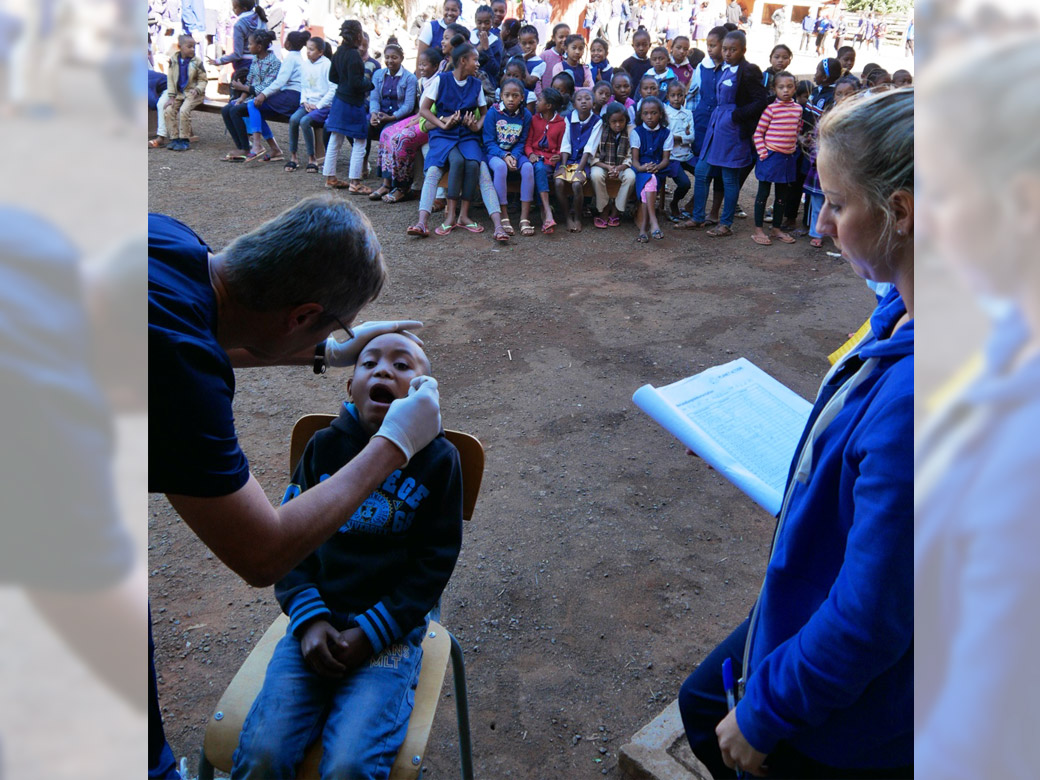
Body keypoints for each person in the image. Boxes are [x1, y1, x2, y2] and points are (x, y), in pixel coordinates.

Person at [148, 196, 442, 779]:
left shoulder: (169, 241)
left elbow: (197, 330)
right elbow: (264, 554)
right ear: (302, 314)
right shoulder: (178, 373)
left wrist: (327, 350)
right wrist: (392, 447)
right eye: (340, 329)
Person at [678, 86, 914, 780]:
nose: (825, 224)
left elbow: (872, 616)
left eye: (838, 205)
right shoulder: (903, 308)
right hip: (823, 591)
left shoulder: (922, 397)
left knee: (711, 716)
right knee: (700, 702)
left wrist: (766, 714)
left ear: (900, 212)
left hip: (861, 705)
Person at [229, 333, 463, 780]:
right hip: (312, 627)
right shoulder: (322, 447)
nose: (382, 370)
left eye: (402, 365)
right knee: (263, 754)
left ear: (423, 394)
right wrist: (311, 619)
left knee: (350, 766)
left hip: (387, 637)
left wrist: (371, 632)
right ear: (349, 386)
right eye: (368, 362)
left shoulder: (440, 460)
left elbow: (434, 565)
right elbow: (289, 546)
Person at [679, 30, 767, 237]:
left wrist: (737, 115)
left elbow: (761, 100)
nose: (727, 53)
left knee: (729, 178)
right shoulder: (724, 67)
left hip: (733, 131)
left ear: (743, 50)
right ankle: (698, 217)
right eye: (725, 49)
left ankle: (726, 223)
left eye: (733, 50)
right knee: (701, 171)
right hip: (715, 126)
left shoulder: (748, 70)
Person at [408, 43, 488, 237]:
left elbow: (485, 113)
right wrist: (442, 123)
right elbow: (424, 111)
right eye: (475, 60)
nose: (478, 64)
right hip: (443, 135)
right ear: (462, 61)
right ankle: (422, 222)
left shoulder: (476, 85)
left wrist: (475, 125)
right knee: (435, 169)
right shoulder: (441, 81)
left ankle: (463, 216)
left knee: (474, 165)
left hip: (465, 136)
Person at [377, 47, 444, 203]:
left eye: (425, 65)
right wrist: (415, 118)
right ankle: (387, 182)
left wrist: (416, 120)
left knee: (401, 140)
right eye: (419, 65)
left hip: (432, 121)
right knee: (386, 133)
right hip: (420, 116)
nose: (420, 68)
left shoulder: (439, 81)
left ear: (435, 67)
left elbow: (431, 111)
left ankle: (403, 186)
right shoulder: (421, 81)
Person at [324, 20, 374, 193]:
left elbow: (332, 77)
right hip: (353, 103)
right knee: (360, 141)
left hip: (339, 100)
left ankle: (330, 177)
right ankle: (355, 181)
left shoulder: (338, 52)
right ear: (359, 35)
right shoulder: (354, 55)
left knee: (335, 139)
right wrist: (369, 83)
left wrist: (344, 84)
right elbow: (356, 83)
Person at [751, 71, 800, 246]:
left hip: (787, 159)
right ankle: (758, 229)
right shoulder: (770, 109)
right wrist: (763, 154)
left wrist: (795, 146)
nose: (785, 90)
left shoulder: (798, 109)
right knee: (763, 193)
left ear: (795, 88)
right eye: (781, 87)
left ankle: (776, 228)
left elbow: (796, 130)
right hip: (770, 157)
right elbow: (758, 134)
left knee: (782, 196)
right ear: (774, 89)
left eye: (789, 86)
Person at [242, 28, 306, 162]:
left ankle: (257, 145)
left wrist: (263, 95)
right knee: (258, 112)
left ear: (288, 43)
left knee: (252, 105)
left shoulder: (291, 58)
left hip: (291, 95)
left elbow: (280, 81)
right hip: (294, 96)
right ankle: (275, 149)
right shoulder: (298, 57)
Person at [220, 30, 283, 162]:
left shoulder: (274, 63)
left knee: (236, 111)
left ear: (259, 47)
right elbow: (250, 81)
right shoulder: (256, 59)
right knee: (226, 109)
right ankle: (242, 146)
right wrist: (241, 97)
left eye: (250, 44)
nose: (248, 47)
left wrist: (242, 88)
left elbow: (265, 88)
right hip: (251, 97)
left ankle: (245, 148)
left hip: (266, 99)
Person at [367, 42, 419, 200]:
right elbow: (374, 97)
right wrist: (374, 114)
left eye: (394, 58)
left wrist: (392, 117)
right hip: (381, 114)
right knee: (364, 128)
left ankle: (387, 183)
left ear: (402, 58)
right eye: (387, 57)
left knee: (386, 134)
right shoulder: (378, 75)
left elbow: (408, 105)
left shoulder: (409, 78)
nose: (390, 61)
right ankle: (362, 170)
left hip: (399, 117)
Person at [484, 76, 532, 238]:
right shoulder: (493, 113)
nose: (511, 99)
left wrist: (514, 156)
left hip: (516, 154)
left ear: (522, 97)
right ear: (501, 96)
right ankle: (503, 214)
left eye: (515, 95)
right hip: (496, 153)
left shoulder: (526, 115)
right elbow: (489, 141)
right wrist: (504, 155)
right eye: (507, 95)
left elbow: (522, 141)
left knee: (527, 168)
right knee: (500, 167)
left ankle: (524, 217)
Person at [630, 95, 680, 242]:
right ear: (641, 115)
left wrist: (656, 167)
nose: (650, 117)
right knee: (649, 180)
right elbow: (635, 160)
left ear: (661, 114)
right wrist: (642, 168)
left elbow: (666, 159)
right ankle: (653, 222)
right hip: (641, 169)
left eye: (654, 113)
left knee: (650, 181)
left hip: (659, 169)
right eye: (645, 113)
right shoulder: (637, 132)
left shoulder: (666, 133)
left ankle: (644, 227)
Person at [286, 35, 335, 173]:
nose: (308, 52)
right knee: (294, 119)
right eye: (307, 49)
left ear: (320, 52)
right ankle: (293, 156)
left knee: (305, 121)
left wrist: (318, 105)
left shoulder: (327, 65)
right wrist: (304, 101)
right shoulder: (305, 64)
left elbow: (333, 89)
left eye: (312, 50)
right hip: (308, 104)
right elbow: (304, 86)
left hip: (323, 106)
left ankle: (312, 157)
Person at [521, 86, 566, 235]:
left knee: (541, 170)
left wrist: (558, 155)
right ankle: (547, 211)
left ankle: (544, 210)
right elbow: (527, 144)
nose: (536, 102)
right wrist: (530, 154)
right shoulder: (534, 120)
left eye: (540, 100)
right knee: (538, 168)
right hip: (535, 160)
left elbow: (561, 147)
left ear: (548, 106)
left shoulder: (561, 124)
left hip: (549, 162)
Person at [556, 87, 601, 232]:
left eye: (587, 99)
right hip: (568, 160)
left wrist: (579, 170)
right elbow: (566, 143)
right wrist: (563, 166)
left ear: (593, 103)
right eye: (579, 99)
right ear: (574, 104)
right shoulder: (569, 118)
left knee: (577, 184)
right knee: (558, 182)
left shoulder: (597, 121)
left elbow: (589, 148)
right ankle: (566, 216)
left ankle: (577, 217)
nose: (583, 102)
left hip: (583, 162)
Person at [587, 102, 635, 228]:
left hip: (623, 166)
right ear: (608, 120)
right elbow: (593, 155)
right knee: (596, 175)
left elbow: (631, 156)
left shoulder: (631, 131)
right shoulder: (601, 129)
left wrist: (620, 167)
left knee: (631, 177)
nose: (618, 124)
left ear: (626, 120)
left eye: (621, 121)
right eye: (614, 121)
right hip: (603, 165)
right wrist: (608, 167)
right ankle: (603, 208)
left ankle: (616, 209)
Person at [162, 35, 207, 152]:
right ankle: (174, 138)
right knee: (168, 110)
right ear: (180, 47)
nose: (193, 49)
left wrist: (197, 89)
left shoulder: (197, 62)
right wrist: (171, 97)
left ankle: (184, 139)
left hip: (193, 93)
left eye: (194, 47)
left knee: (184, 110)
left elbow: (203, 80)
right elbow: (170, 80)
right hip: (180, 94)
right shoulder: (173, 60)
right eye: (189, 47)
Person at [209, 0, 268, 82]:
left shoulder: (239, 25)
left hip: (245, 66)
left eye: (235, 8)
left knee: (244, 91)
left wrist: (219, 61)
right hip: (263, 63)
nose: (233, 10)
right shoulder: (261, 19)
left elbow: (237, 54)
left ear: (243, 8)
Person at [663, 80, 694, 220]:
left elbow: (692, 136)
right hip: (671, 157)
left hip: (686, 154)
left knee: (705, 174)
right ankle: (674, 203)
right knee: (684, 183)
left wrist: (677, 137)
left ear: (684, 96)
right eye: (673, 95)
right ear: (668, 96)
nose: (676, 99)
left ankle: (693, 206)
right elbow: (665, 136)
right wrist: (682, 137)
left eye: (680, 95)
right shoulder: (664, 113)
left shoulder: (688, 113)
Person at [415, 0, 462, 72]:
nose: (449, 13)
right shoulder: (431, 27)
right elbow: (420, 56)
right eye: (447, 9)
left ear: (460, 12)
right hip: (429, 76)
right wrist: (420, 80)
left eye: (454, 10)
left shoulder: (461, 31)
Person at [539, 23, 571, 93]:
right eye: (561, 37)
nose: (564, 40)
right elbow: (537, 79)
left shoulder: (571, 57)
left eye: (567, 37)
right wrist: (540, 94)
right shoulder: (545, 56)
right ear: (553, 38)